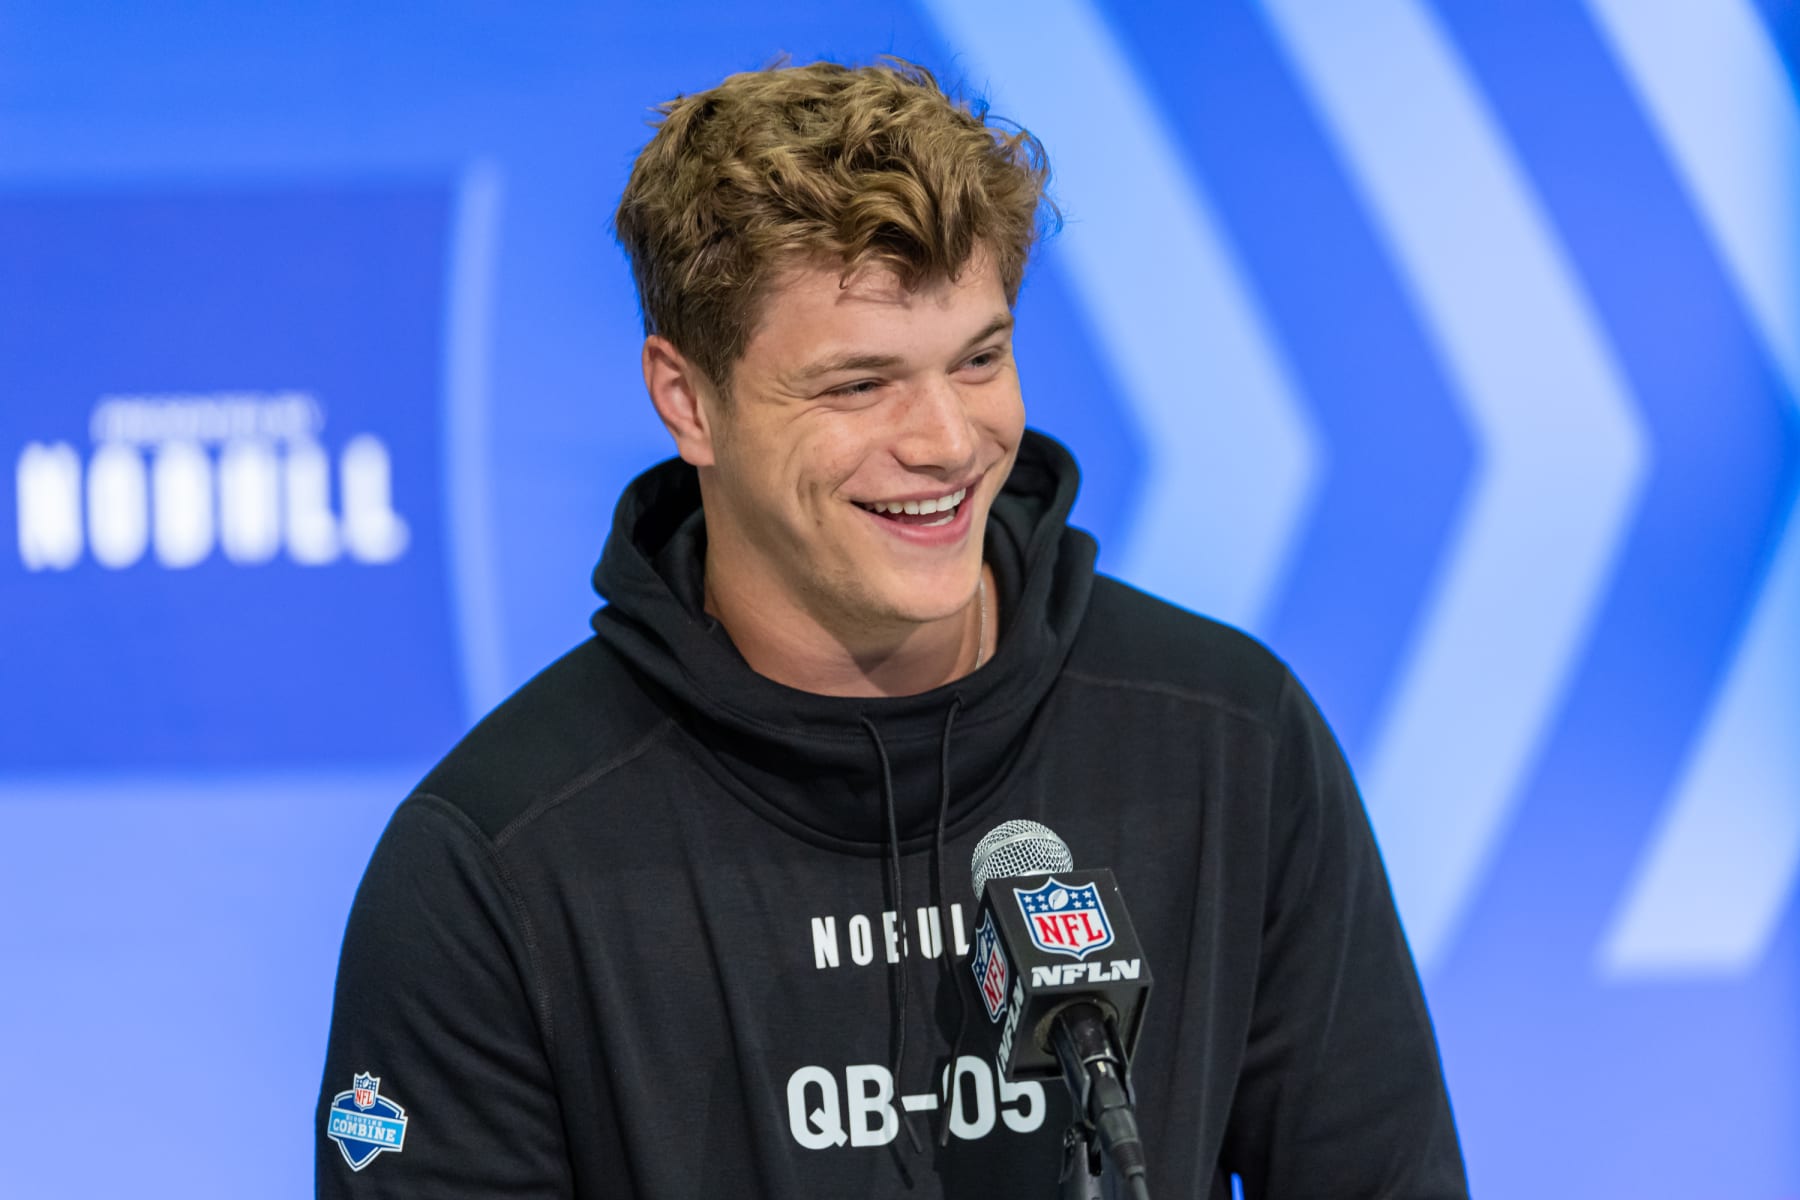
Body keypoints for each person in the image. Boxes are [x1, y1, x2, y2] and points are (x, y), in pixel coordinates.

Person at [316, 57, 1468, 1198]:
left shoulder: (1228, 740)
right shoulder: (500, 861)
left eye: (980, 359)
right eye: (859, 384)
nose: (948, 442)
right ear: (688, 401)